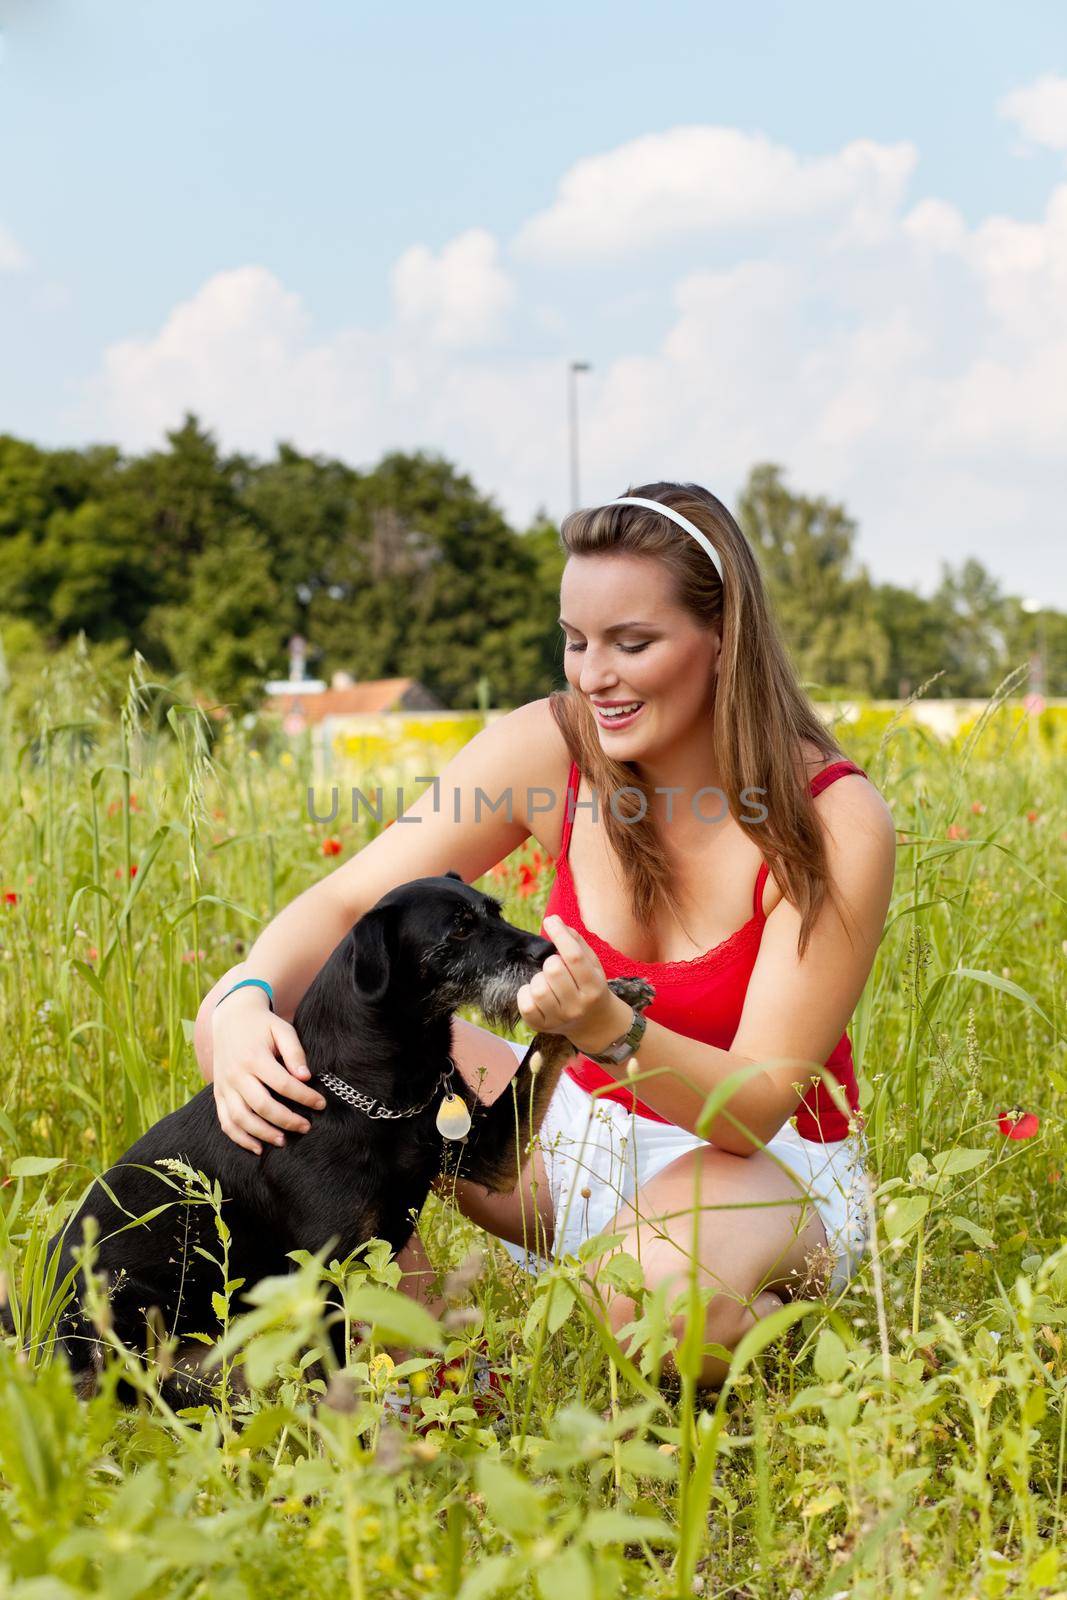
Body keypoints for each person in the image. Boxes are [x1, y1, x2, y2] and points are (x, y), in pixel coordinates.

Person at [195, 482, 896, 1391]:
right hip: (564, 1136)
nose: (592, 675)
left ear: (723, 639)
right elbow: (344, 906)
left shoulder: (830, 819)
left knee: (652, 1303)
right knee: (239, 1032)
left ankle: (744, 1314)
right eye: (576, 641)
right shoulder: (548, 750)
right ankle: (423, 1333)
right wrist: (248, 998)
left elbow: (758, 1105)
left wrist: (608, 1029)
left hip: (763, 1166)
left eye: (631, 643)